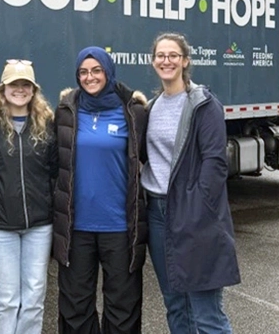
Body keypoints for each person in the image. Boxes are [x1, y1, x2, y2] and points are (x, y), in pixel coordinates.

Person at [140, 33, 240, 334]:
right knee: (176, 306)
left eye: (173, 55)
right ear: (153, 61)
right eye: (160, 55)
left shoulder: (204, 105)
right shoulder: (153, 106)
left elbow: (215, 162)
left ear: (185, 61)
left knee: (206, 313)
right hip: (158, 213)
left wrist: (196, 207)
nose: (166, 60)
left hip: (194, 215)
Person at [52, 46, 148, 334]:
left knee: (123, 306)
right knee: (75, 305)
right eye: (83, 71)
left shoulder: (134, 112)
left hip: (120, 227)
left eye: (96, 70)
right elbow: (53, 164)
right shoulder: (67, 111)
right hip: (75, 227)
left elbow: (152, 160)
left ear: (108, 71)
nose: (89, 77)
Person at [0, 59, 58, 334]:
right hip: (2, 226)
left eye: (25, 84)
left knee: (34, 297)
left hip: (39, 226)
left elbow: (55, 170)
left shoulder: (47, 124)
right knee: (6, 300)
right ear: (3, 89)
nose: (20, 90)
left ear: (33, 90)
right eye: (13, 84)